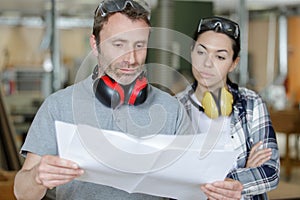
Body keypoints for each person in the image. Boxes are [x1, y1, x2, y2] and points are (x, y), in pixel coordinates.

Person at [13, 1, 193, 199]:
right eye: (118, 45)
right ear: (95, 44)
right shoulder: (58, 106)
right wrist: (37, 177)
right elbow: (22, 193)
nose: (131, 59)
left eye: (139, 46)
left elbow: (191, 188)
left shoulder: (172, 110)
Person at [176, 16, 280, 199]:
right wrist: (245, 174)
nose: (207, 63)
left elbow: (270, 171)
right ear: (191, 52)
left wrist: (233, 181)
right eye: (201, 52)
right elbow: (171, 175)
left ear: (234, 63)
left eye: (220, 56)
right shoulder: (175, 107)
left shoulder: (251, 103)